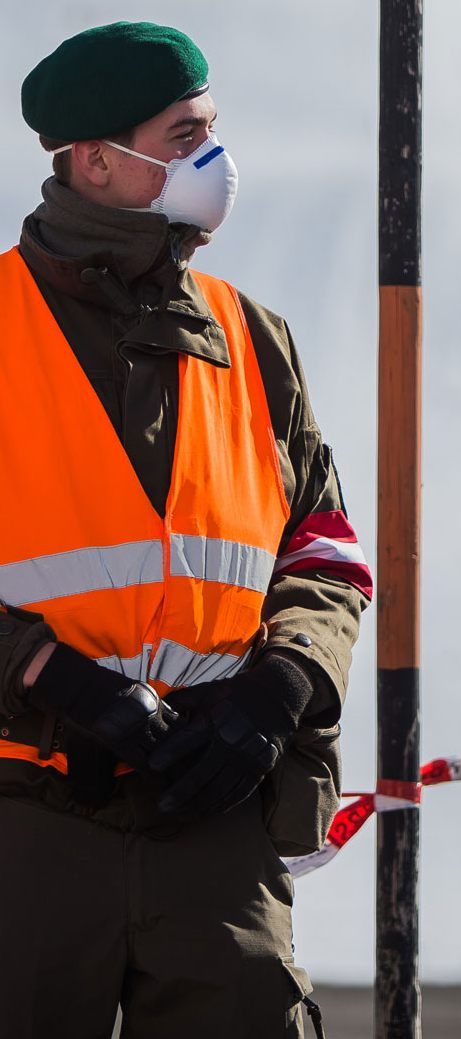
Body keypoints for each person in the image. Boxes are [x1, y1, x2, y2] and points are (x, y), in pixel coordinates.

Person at [0, 21, 371, 1038]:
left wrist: (284, 684)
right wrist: (50, 677)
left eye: (212, 128)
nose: (214, 160)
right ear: (93, 161)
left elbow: (323, 546)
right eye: (183, 134)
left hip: (211, 806)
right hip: (27, 810)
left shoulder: (253, 336)